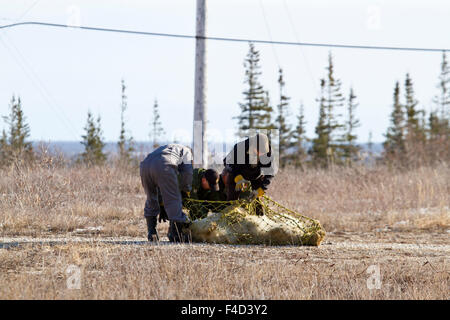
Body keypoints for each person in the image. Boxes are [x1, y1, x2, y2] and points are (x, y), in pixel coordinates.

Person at [139, 144, 193, 243]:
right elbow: (188, 173)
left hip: (145, 165)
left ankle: (152, 233)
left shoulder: (168, 147)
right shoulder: (187, 151)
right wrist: (186, 189)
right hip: (164, 165)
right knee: (173, 199)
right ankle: (175, 234)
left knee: (151, 198)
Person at [223, 133, 275, 214]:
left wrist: (262, 188)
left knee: (257, 202)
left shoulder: (268, 152)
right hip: (237, 173)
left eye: (263, 153)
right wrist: (238, 177)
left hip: (256, 175)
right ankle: (230, 218)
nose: (260, 154)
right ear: (253, 146)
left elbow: (270, 173)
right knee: (232, 202)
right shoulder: (240, 147)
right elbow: (227, 162)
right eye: (259, 151)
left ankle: (260, 220)